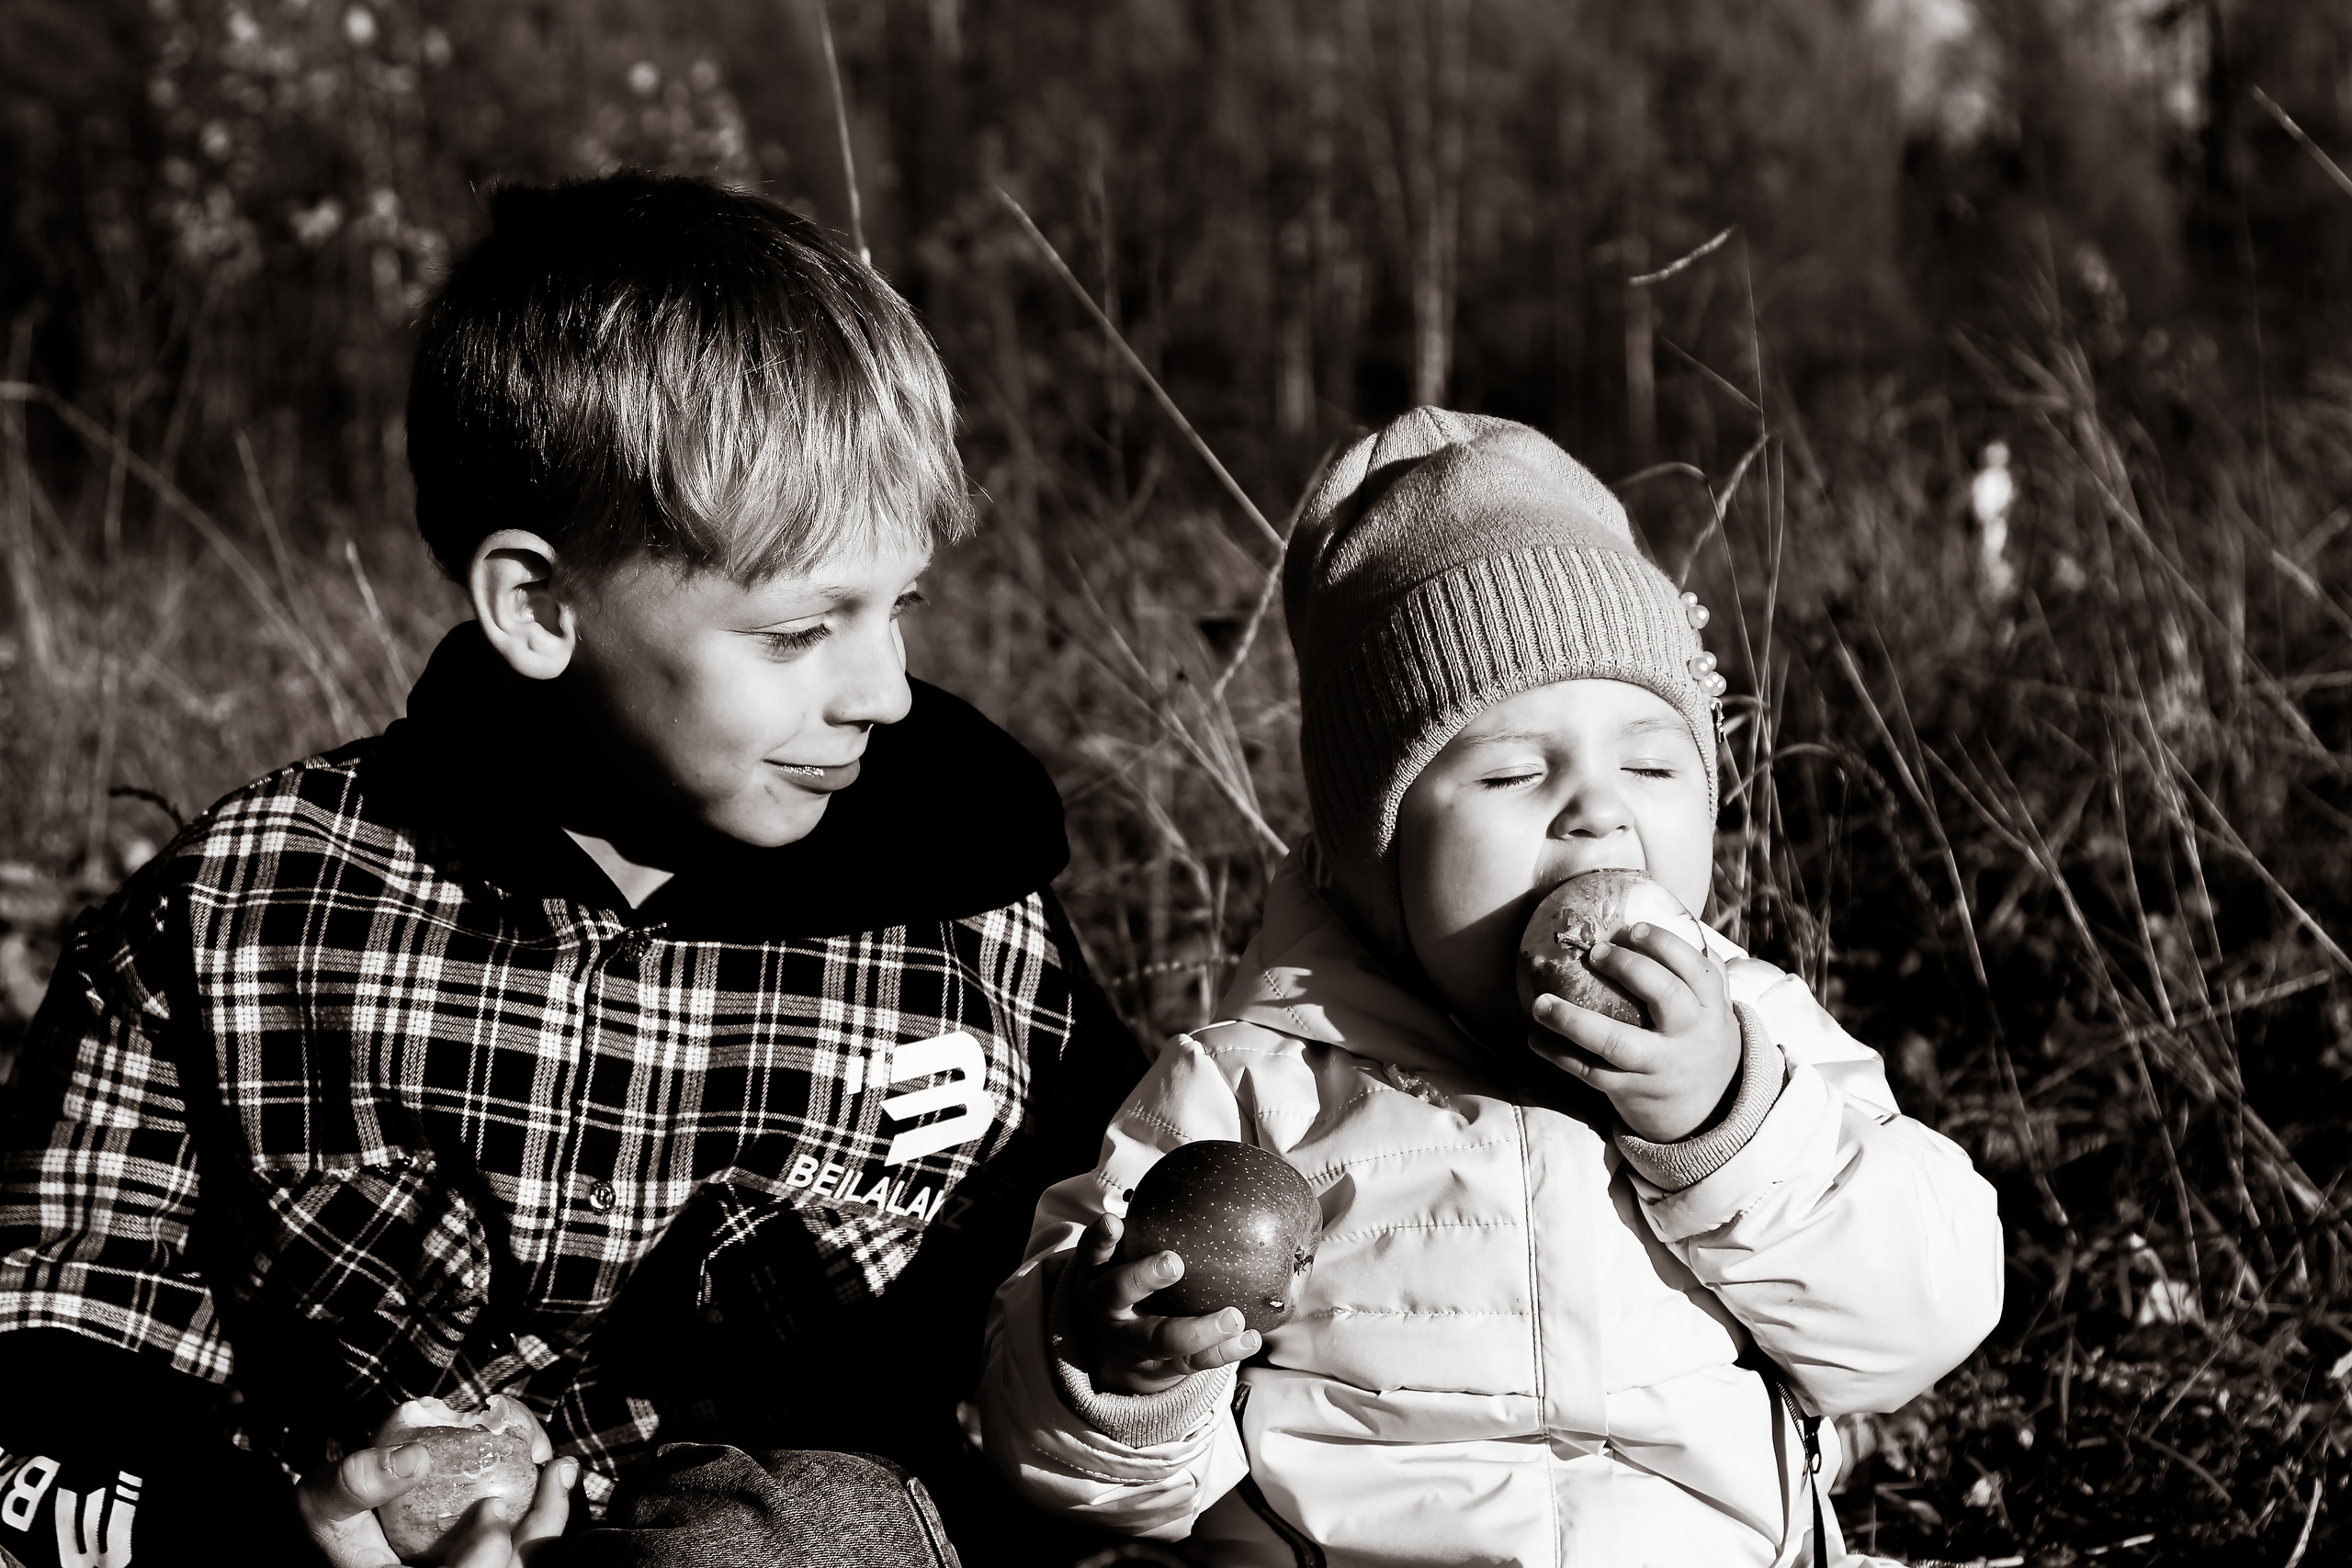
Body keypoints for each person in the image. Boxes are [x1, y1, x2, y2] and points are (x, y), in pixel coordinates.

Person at [0, 173, 1140, 1567]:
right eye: (798, 631)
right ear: (539, 607)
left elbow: (1085, 1323)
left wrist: (1132, 1325)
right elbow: (55, 1344)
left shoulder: (973, 932)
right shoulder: (242, 918)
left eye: (898, 604)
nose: (887, 691)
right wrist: (266, 1535)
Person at [978, 408, 2005, 1566]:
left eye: (1653, 762)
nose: (1596, 807)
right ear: (1376, 863)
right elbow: (1058, 1458)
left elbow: (1918, 1323)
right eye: (1512, 771)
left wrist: (1726, 1123)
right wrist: (1125, 1373)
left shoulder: (1752, 1040)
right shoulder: (1250, 1089)